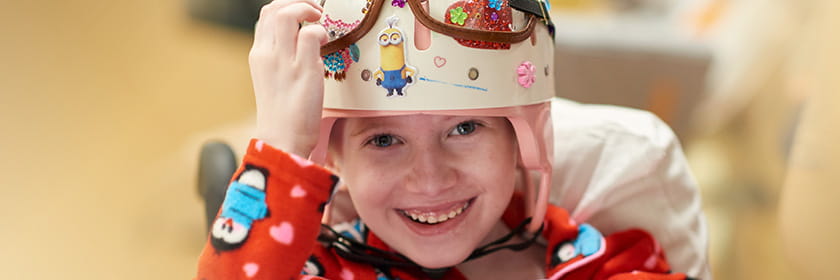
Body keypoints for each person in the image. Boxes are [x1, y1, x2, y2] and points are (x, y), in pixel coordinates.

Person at [195, 0, 710, 279]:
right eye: (383, 141)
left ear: (522, 143)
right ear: (332, 157)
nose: (430, 178)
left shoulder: (596, 263)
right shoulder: (318, 267)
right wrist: (281, 150)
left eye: (464, 129)